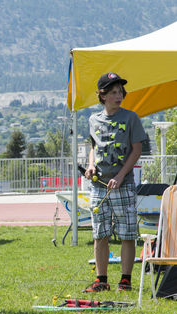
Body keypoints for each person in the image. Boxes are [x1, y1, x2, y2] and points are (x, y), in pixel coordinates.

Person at [83, 72, 146, 293]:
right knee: (100, 233)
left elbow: (137, 150)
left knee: (127, 232)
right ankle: (101, 280)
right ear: (102, 95)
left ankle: (125, 280)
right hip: (98, 186)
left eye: (120, 92)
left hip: (124, 185)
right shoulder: (93, 120)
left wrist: (120, 176)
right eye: (113, 92)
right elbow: (93, 147)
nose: (118, 96)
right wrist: (90, 165)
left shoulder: (131, 118)